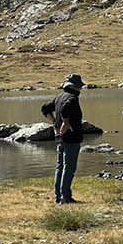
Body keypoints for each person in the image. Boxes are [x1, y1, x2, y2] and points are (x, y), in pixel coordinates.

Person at [47, 74, 85, 204]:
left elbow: (45, 108)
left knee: (60, 167)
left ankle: (58, 196)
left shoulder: (59, 96)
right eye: (80, 86)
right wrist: (65, 123)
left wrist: (54, 122)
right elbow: (65, 109)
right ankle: (66, 197)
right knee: (68, 168)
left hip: (60, 138)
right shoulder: (72, 98)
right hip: (71, 138)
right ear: (74, 86)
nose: (81, 89)